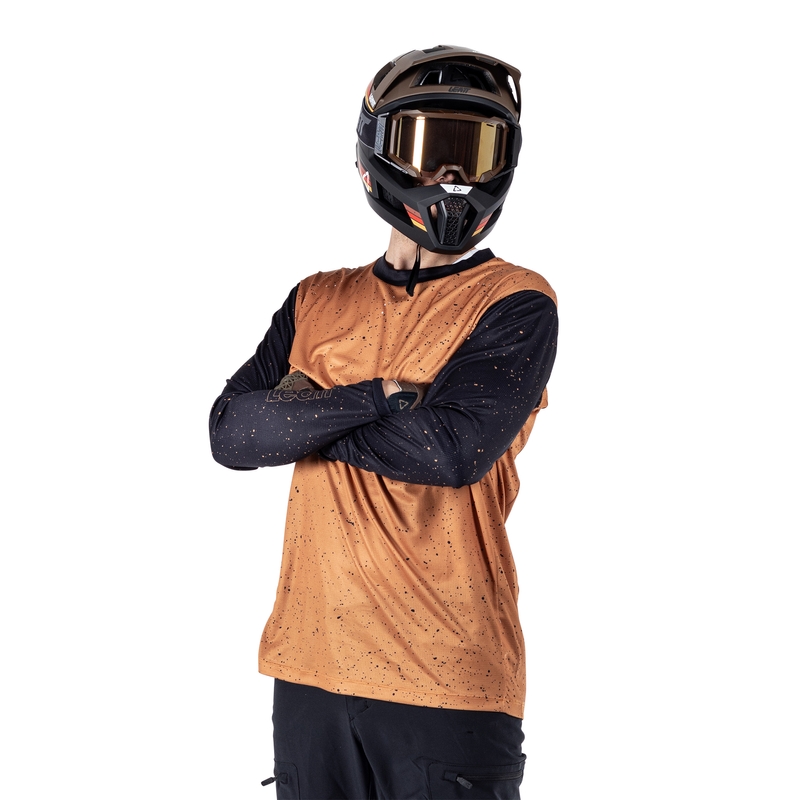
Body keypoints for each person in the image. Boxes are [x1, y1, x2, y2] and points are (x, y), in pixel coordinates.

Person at [209, 45, 559, 799]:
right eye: (430, 147)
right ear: (376, 154)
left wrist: (304, 413)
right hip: (308, 669)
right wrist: (380, 397)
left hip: (448, 680)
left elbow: (450, 450)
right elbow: (232, 435)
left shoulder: (515, 301)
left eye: (474, 151)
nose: (452, 175)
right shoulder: (316, 299)